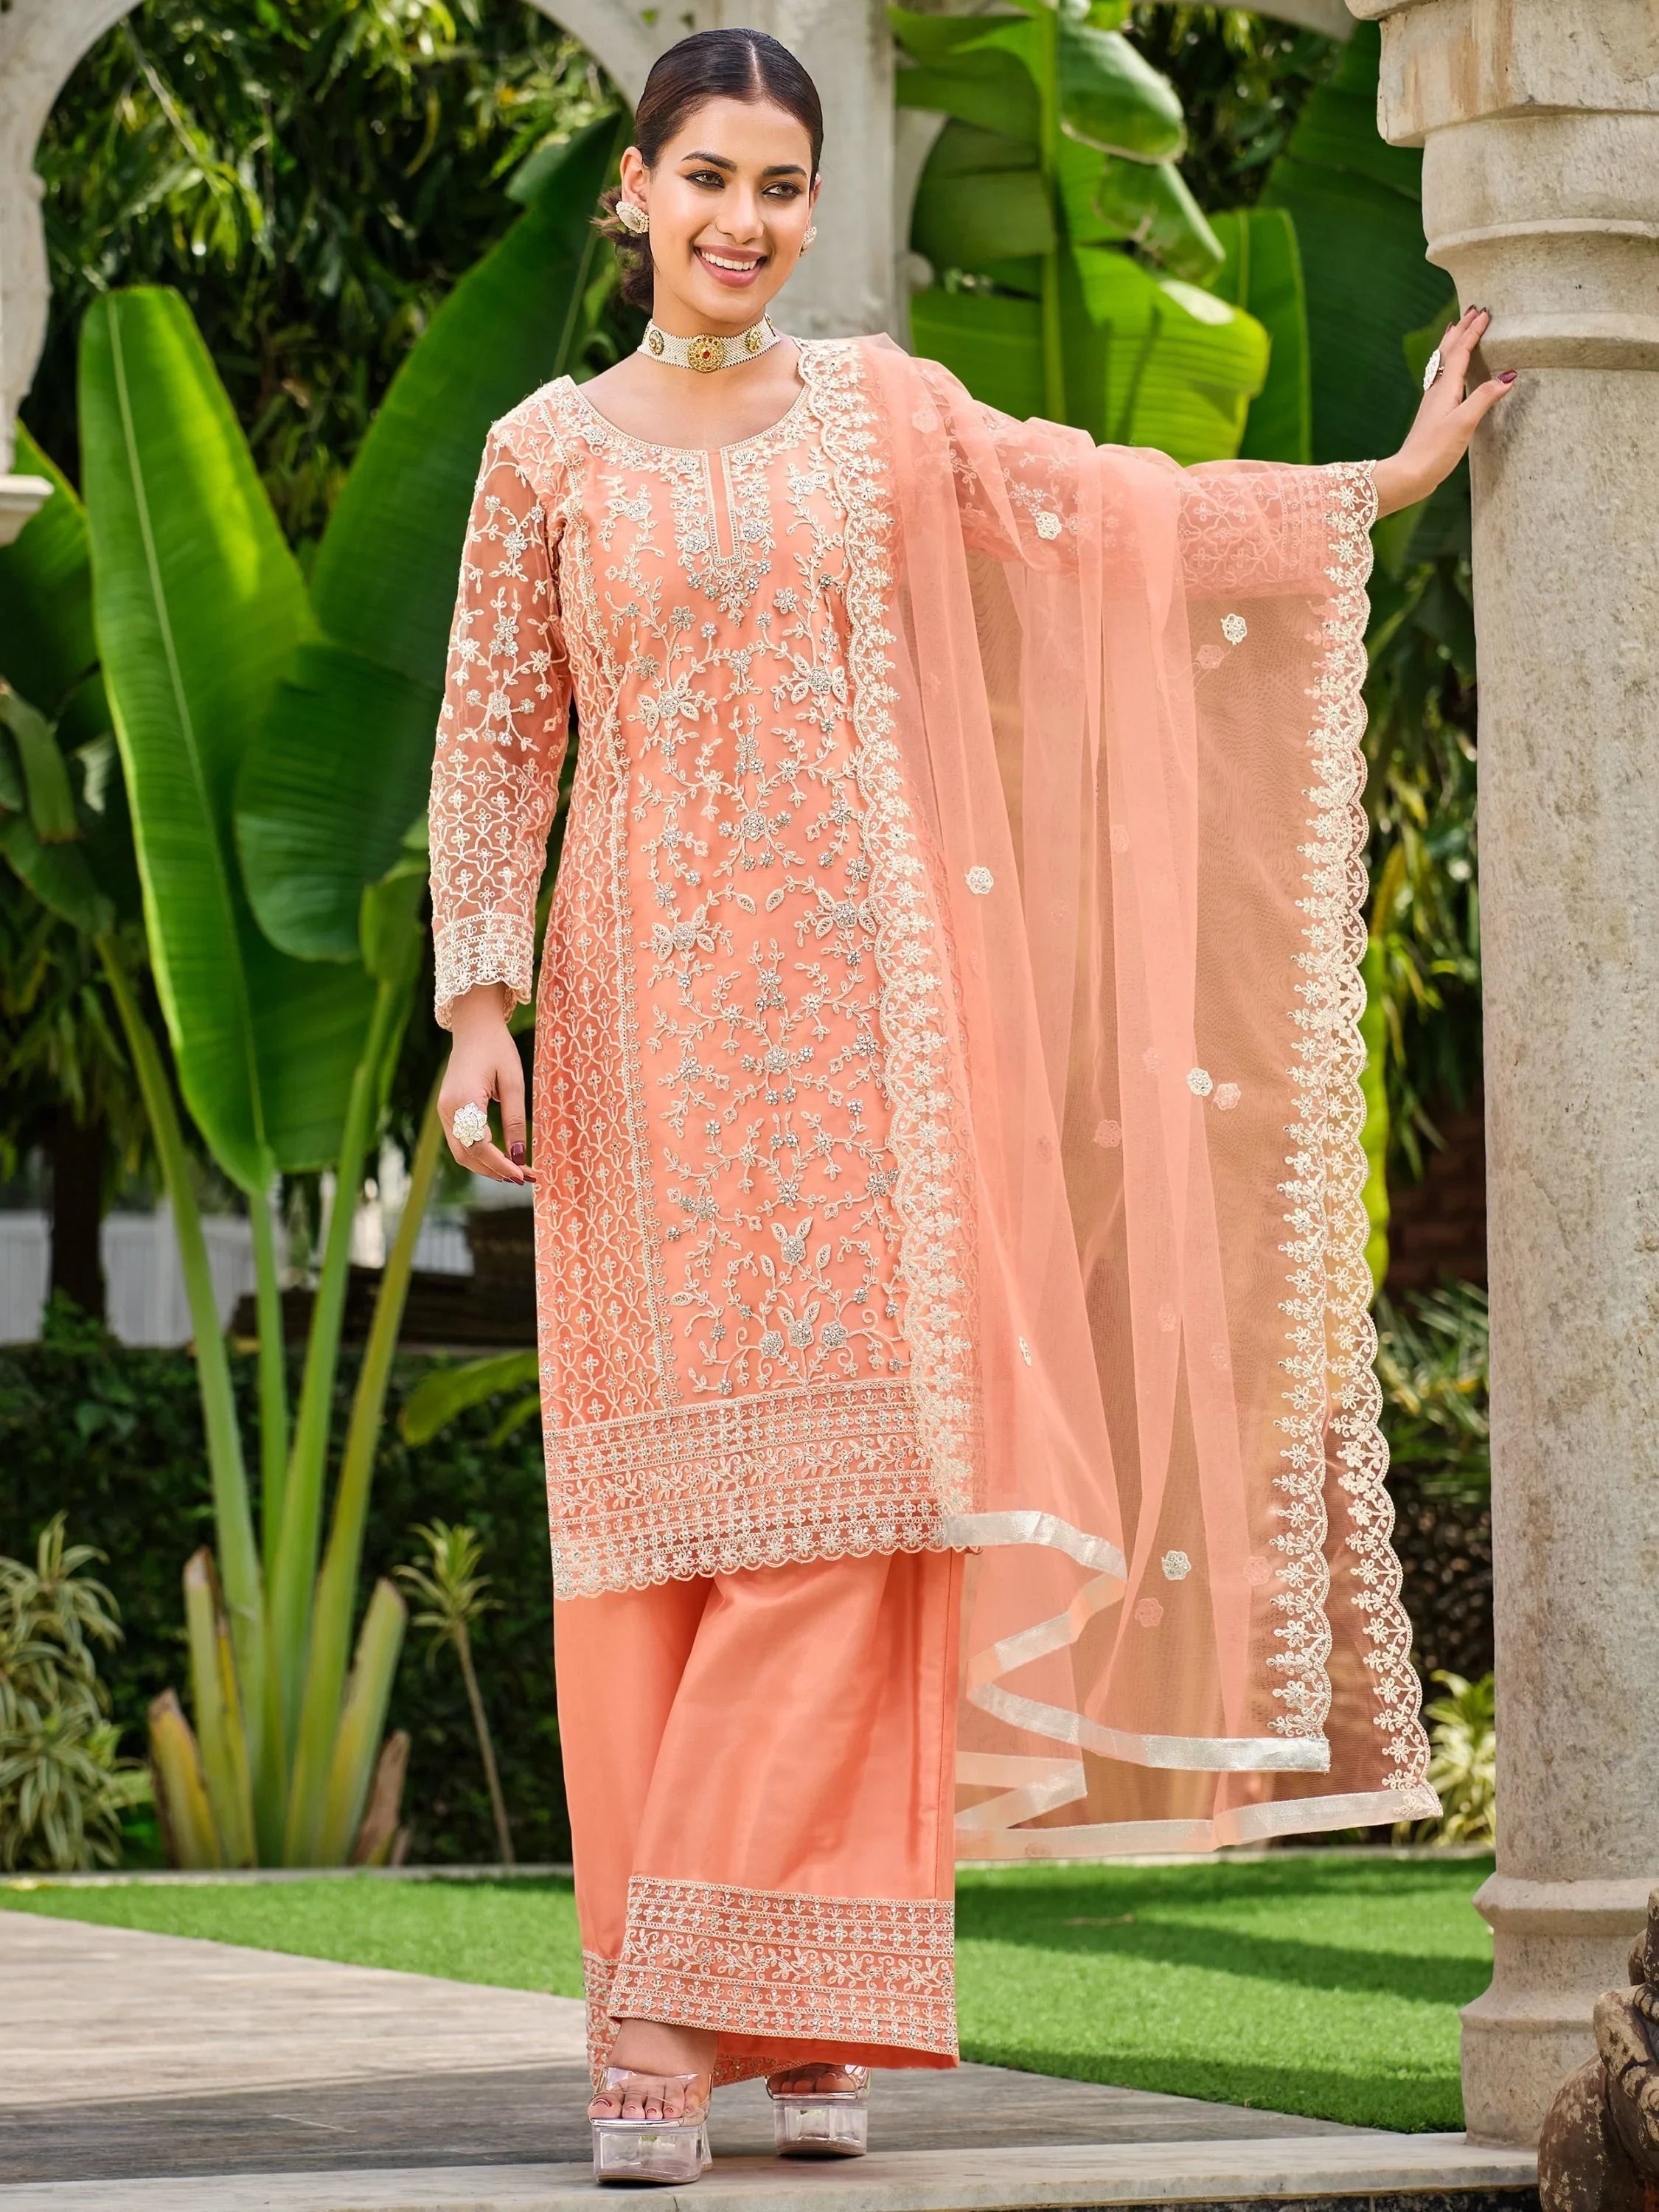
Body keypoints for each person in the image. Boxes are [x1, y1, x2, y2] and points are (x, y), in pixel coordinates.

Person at [427, 24, 1512, 2185]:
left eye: (779, 186)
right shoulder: (542, 452)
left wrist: (1363, 491)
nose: (743, 220)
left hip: (860, 1036)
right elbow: (493, 744)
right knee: (666, 1534)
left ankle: (713, 2003)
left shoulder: (879, 417)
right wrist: (479, 1006)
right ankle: (736, 2010)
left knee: (856, 1511)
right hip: (644, 1026)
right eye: (705, 179)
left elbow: (1095, 510)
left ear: (812, 212)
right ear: (633, 194)